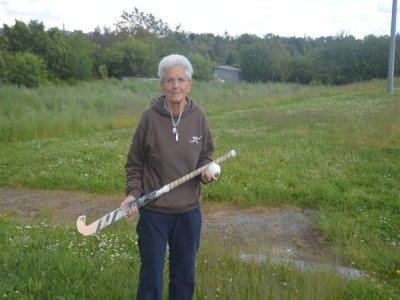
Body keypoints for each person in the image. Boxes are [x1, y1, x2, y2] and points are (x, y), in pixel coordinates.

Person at [119, 54, 216, 300]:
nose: (175, 85)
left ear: (189, 84)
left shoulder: (199, 117)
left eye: (180, 80)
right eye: (169, 80)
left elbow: (205, 156)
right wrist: (133, 193)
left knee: (184, 277)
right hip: (154, 213)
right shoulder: (149, 118)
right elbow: (135, 163)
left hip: (189, 213)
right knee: (151, 278)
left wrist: (205, 172)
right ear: (162, 85)